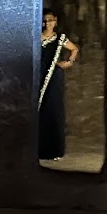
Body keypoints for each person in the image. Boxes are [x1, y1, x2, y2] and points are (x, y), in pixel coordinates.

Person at [37, 10, 79, 161]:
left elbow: (74, 49)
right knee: (38, 111)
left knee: (53, 110)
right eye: (44, 21)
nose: (47, 23)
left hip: (53, 78)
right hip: (38, 76)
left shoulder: (60, 38)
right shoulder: (35, 37)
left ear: (55, 21)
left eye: (50, 20)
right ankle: (37, 150)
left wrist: (69, 62)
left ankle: (53, 150)